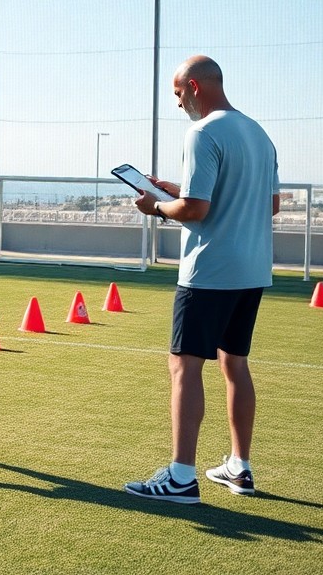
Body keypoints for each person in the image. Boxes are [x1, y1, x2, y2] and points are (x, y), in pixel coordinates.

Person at [124, 55, 279, 504]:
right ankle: (240, 466)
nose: (177, 104)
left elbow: (195, 210)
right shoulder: (259, 134)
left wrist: (156, 205)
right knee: (235, 363)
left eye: (177, 93)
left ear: (193, 86)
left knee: (184, 366)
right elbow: (269, 205)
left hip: (209, 271)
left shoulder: (202, 132)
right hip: (252, 270)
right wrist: (174, 191)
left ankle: (180, 477)